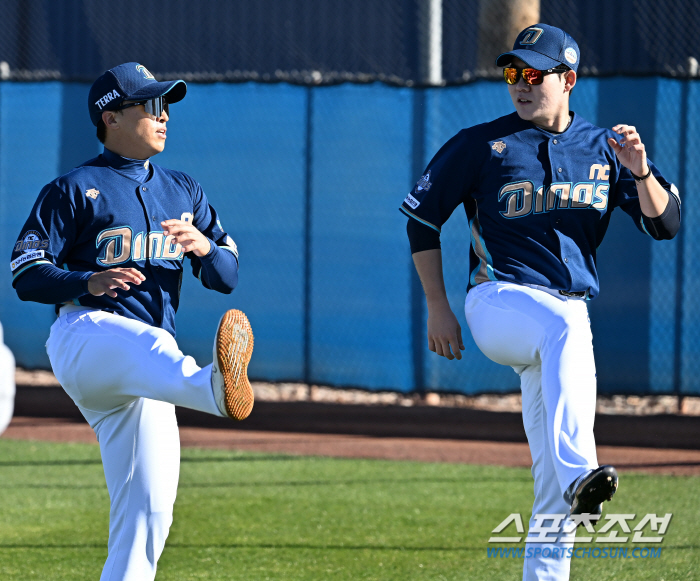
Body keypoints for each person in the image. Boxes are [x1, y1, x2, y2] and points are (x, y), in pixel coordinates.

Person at [401, 24, 680, 581]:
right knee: (563, 328)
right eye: (512, 73)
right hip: (498, 302)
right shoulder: (483, 144)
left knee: (550, 487)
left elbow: (666, 223)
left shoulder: (605, 148)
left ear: (568, 79)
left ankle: (560, 521)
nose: (520, 84)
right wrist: (438, 305)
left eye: (534, 73)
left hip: (562, 322)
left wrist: (641, 170)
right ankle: (583, 472)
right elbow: (421, 220)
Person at [10, 62, 255, 581]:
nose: (163, 116)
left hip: (147, 374)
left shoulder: (183, 189)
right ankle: (214, 389)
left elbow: (227, 277)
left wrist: (206, 247)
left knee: (149, 513)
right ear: (111, 117)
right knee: (146, 344)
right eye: (150, 105)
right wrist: (85, 281)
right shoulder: (74, 188)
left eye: (166, 106)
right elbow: (26, 273)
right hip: (87, 339)